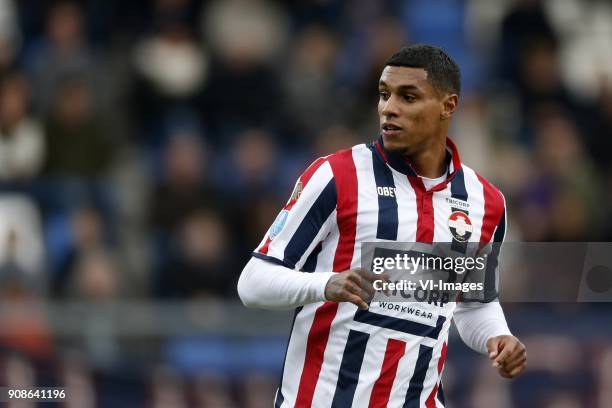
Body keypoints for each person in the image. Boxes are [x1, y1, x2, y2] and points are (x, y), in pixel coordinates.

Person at [237, 44, 527, 407]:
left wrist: (497, 335)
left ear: (448, 106)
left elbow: (472, 304)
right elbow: (252, 283)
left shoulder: (486, 203)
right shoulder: (336, 176)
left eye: (408, 97)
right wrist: (326, 284)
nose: (389, 108)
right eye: (384, 95)